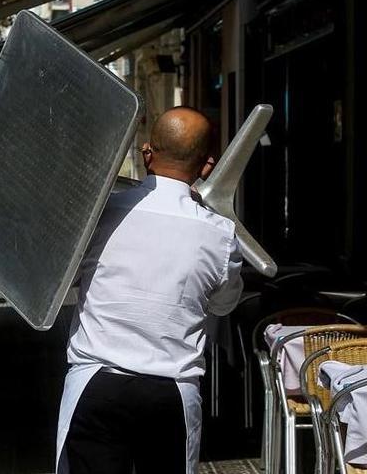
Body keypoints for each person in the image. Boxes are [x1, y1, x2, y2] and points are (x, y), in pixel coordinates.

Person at [56, 107, 243, 474]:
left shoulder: (100, 215)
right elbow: (223, 304)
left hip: (96, 383)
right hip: (171, 390)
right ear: (207, 166)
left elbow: (61, 287)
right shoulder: (220, 235)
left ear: (147, 154)